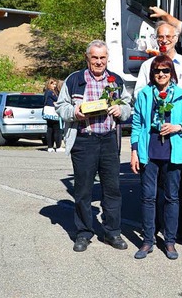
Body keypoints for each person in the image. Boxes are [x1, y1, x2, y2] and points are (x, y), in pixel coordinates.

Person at [55, 40, 132, 252]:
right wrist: (74, 113)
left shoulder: (116, 80)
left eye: (102, 58)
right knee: (82, 190)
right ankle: (83, 233)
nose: (99, 62)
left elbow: (127, 104)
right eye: (95, 58)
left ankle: (112, 232)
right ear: (87, 58)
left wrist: (121, 111)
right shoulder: (74, 79)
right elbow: (60, 106)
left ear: (107, 58)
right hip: (84, 140)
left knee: (112, 189)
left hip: (108, 140)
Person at [130, 55, 182, 260]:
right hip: (149, 151)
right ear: (152, 74)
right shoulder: (145, 94)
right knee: (148, 197)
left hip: (172, 152)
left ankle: (170, 241)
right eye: (157, 71)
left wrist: (178, 127)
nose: (161, 74)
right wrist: (134, 151)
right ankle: (148, 240)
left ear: (171, 73)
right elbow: (137, 124)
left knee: (172, 197)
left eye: (165, 71)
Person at [134, 21, 182, 98]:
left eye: (168, 36)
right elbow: (138, 94)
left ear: (176, 38)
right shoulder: (147, 65)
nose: (164, 41)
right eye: (160, 37)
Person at [43, 78, 62, 152]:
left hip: (48, 114)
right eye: (53, 84)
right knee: (57, 130)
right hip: (53, 113)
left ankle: (50, 147)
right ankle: (58, 147)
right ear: (49, 84)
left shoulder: (46, 92)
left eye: (55, 84)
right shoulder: (51, 93)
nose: (54, 86)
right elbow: (58, 100)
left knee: (50, 129)